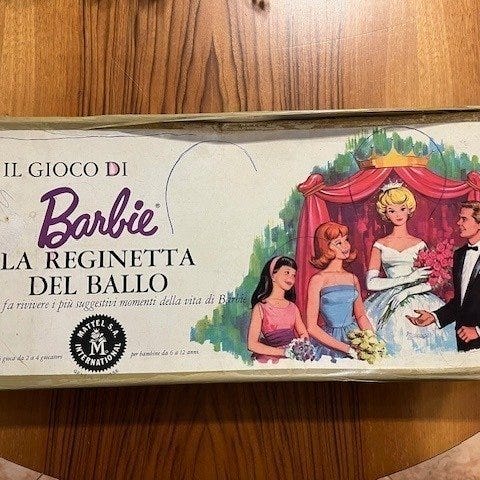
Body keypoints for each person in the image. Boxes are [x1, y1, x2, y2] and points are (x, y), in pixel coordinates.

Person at [364, 182, 456, 355]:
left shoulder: (420, 244)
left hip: (417, 296)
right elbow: (371, 283)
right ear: (385, 214)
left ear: (409, 209)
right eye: (392, 210)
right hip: (387, 299)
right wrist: (407, 279)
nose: (398, 214)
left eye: (402, 208)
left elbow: (433, 281)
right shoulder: (380, 244)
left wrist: (407, 291)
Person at [407, 201, 480, 351]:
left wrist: (478, 331)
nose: (458, 223)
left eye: (464, 219)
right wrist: (434, 317)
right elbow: (460, 302)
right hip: (463, 340)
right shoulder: (459, 255)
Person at [306, 221, 373, 360]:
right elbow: (311, 327)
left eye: (346, 240)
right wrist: (347, 348)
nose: (346, 246)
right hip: (330, 341)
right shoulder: (318, 279)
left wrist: (372, 341)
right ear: (326, 247)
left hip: (354, 335)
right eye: (338, 243)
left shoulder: (352, 278)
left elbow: (361, 316)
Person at [247, 256, 308, 362]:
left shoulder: (293, 307)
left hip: (293, 358)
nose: (291, 278)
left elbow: (303, 333)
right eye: (287, 273)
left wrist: (301, 347)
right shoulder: (261, 307)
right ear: (273, 275)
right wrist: (284, 352)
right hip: (272, 358)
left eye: (293, 275)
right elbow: (252, 344)